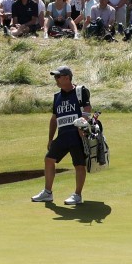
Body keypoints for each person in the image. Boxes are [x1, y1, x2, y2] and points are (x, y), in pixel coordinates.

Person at [30, 66, 92, 206]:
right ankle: (47, 193)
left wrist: (83, 125)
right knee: (49, 159)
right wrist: (50, 139)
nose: (55, 79)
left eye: (58, 77)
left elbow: (87, 110)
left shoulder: (80, 91)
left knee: (79, 165)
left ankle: (77, 195)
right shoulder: (57, 96)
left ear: (66, 77)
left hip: (77, 135)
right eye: (55, 77)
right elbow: (54, 119)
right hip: (63, 135)